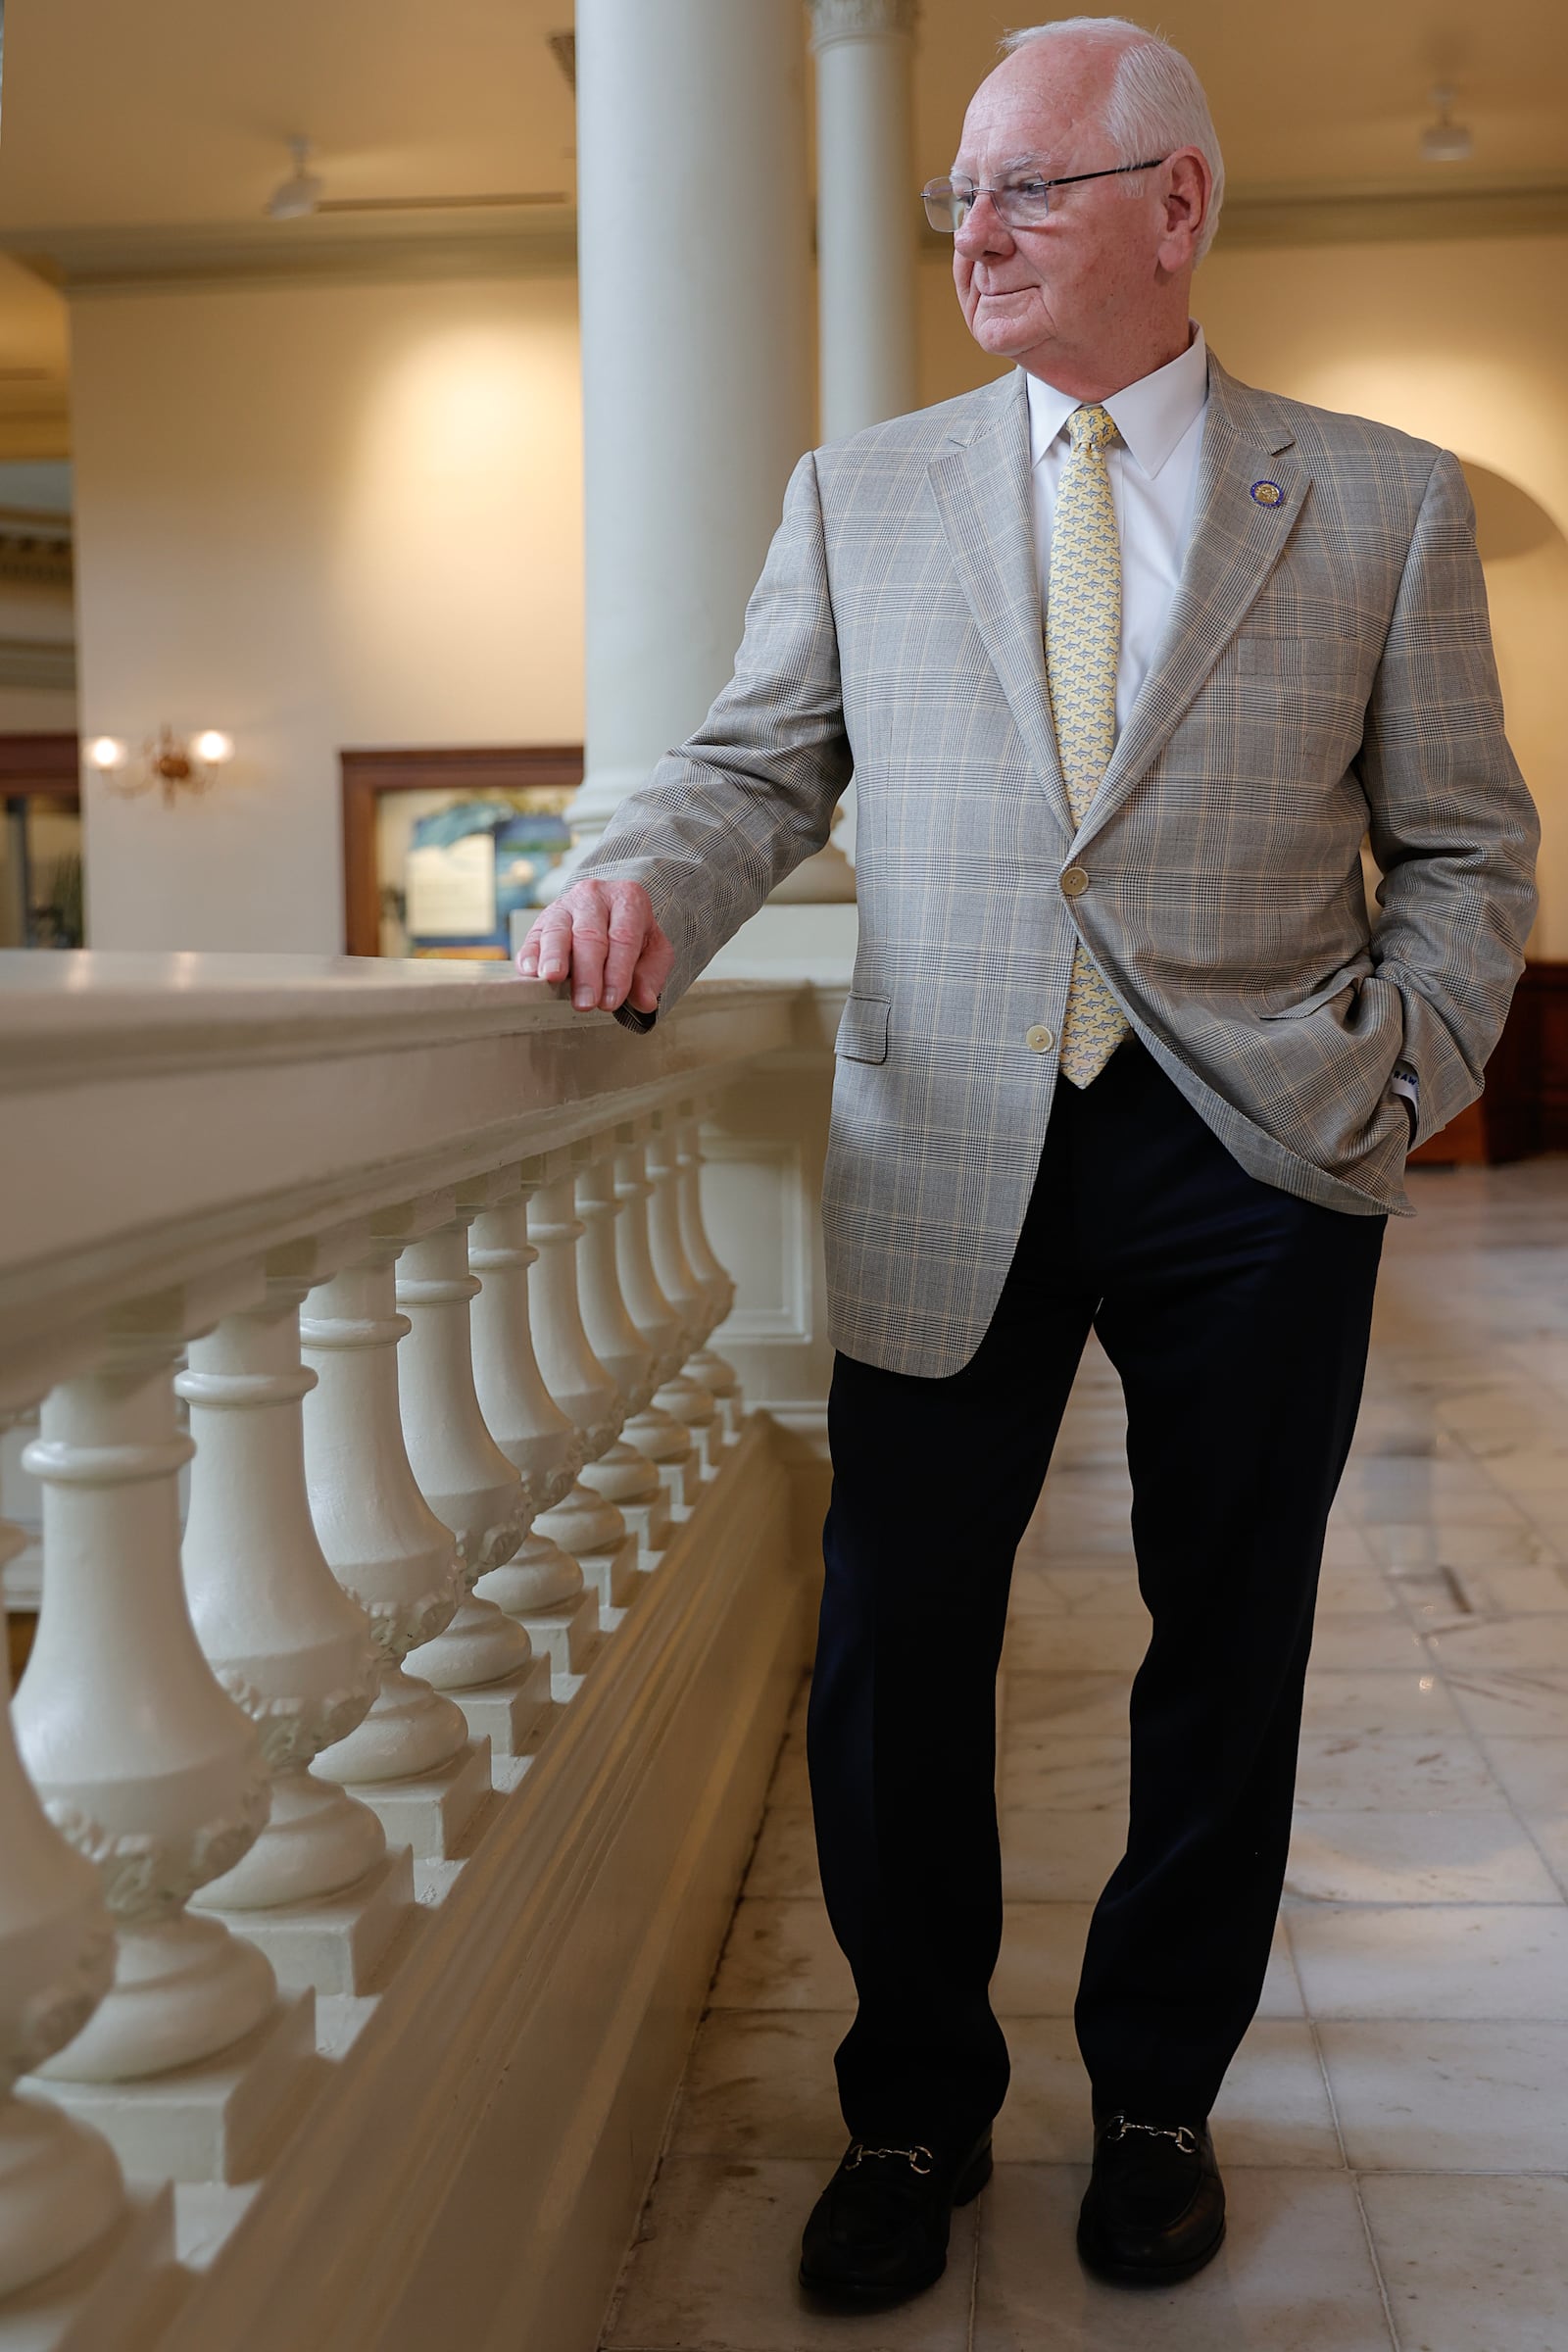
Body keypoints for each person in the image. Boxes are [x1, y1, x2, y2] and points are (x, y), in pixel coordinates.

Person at [518, 14, 1539, 2310]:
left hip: (1253, 1150)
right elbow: (749, 770)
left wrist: (1395, 1073)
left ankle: (1158, 2094)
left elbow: (1469, 851)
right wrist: (635, 894)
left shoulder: (1372, 497)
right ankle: (909, 2109)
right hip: (947, 1133)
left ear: (1172, 206)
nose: (966, 233)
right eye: (952, 195)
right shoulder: (854, 490)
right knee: (897, 1641)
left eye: (1021, 191)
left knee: (1224, 1640)